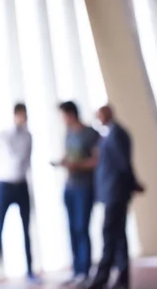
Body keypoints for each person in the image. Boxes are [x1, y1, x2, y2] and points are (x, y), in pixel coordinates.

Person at [87, 106, 144, 289]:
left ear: (110, 114)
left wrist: (132, 182)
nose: (99, 117)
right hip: (111, 191)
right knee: (118, 234)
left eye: (101, 114)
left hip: (116, 192)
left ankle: (103, 276)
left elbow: (123, 163)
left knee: (110, 232)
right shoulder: (109, 134)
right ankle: (120, 277)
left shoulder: (117, 133)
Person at [0, 103, 40, 285]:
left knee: (26, 229)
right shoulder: (3, 135)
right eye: (21, 115)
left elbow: (25, 160)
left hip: (21, 185)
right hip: (5, 185)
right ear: (15, 115)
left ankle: (30, 271)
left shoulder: (29, 136)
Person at [55, 101, 99, 286]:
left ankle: (85, 270)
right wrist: (63, 162)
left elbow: (96, 161)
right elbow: (69, 155)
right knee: (72, 229)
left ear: (71, 114)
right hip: (70, 186)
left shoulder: (90, 133)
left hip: (84, 187)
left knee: (82, 228)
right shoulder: (68, 134)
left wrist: (77, 165)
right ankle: (77, 269)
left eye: (63, 115)